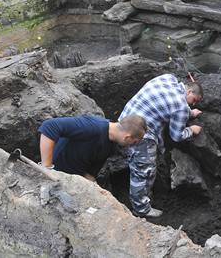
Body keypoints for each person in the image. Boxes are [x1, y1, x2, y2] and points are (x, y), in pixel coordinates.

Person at [119, 73, 204, 218]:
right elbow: (176, 136)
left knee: (138, 164)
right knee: (143, 172)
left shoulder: (167, 78)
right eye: (194, 100)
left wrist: (189, 113)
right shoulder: (181, 107)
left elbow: (172, 104)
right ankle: (141, 209)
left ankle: (145, 196)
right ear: (189, 92)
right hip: (139, 135)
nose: (193, 104)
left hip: (125, 121)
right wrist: (192, 130)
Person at [38, 114, 146, 181]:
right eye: (135, 142)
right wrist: (47, 168)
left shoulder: (112, 145)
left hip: (71, 181)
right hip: (54, 174)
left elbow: (90, 174)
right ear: (127, 137)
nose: (134, 145)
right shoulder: (92, 127)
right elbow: (50, 126)